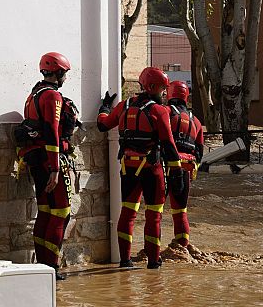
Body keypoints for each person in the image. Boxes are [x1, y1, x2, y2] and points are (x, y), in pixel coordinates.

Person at [97, 67, 184, 269]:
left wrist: (104, 107)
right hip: (151, 169)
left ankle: (125, 261)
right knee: (154, 214)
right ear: (152, 87)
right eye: (163, 88)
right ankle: (153, 261)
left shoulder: (123, 107)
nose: (165, 93)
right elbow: (169, 145)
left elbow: (103, 125)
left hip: (128, 168)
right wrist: (177, 171)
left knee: (127, 213)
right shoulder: (159, 111)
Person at [16, 51, 79, 281]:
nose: (66, 78)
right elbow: (52, 132)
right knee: (61, 213)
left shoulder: (33, 94)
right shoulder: (52, 96)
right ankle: (51, 267)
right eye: (65, 73)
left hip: (36, 159)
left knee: (45, 212)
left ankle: (42, 266)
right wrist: (55, 169)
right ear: (59, 71)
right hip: (50, 161)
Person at [165, 81, 204, 247]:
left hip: (165, 166)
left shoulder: (165, 112)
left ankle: (151, 252)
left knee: (155, 210)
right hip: (186, 168)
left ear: (169, 94)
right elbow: (200, 152)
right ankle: (182, 247)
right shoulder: (195, 121)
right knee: (180, 211)